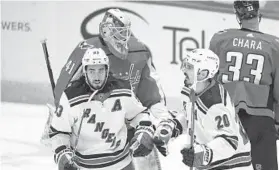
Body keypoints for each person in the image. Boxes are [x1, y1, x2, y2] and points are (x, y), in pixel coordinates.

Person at [42, 8, 174, 170]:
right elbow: (65, 93)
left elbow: (152, 94)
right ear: (104, 31)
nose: (123, 38)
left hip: (129, 119)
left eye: (124, 32)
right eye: (117, 33)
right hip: (95, 126)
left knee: (147, 162)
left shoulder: (139, 51)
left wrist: (162, 123)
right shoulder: (87, 51)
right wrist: (59, 121)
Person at [48, 47, 156, 170]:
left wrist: (144, 130)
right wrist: (62, 154)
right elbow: (59, 131)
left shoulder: (123, 90)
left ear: (107, 70)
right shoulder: (70, 97)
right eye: (92, 71)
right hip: (85, 166)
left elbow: (139, 113)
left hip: (122, 163)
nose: (97, 76)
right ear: (85, 71)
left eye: (100, 70)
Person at [154, 49, 253, 170]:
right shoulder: (195, 90)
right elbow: (191, 115)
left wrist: (204, 153)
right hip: (215, 163)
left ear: (203, 74)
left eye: (189, 67)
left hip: (232, 164)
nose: (184, 70)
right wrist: (173, 127)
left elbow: (230, 141)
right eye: (185, 64)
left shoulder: (215, 105)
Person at [209, 1, 279, 169]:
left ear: (237, 17)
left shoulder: (220, 38)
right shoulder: (275, 45)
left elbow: (209, 82)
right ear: (259, 15)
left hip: (225, 118)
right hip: (261, 119)